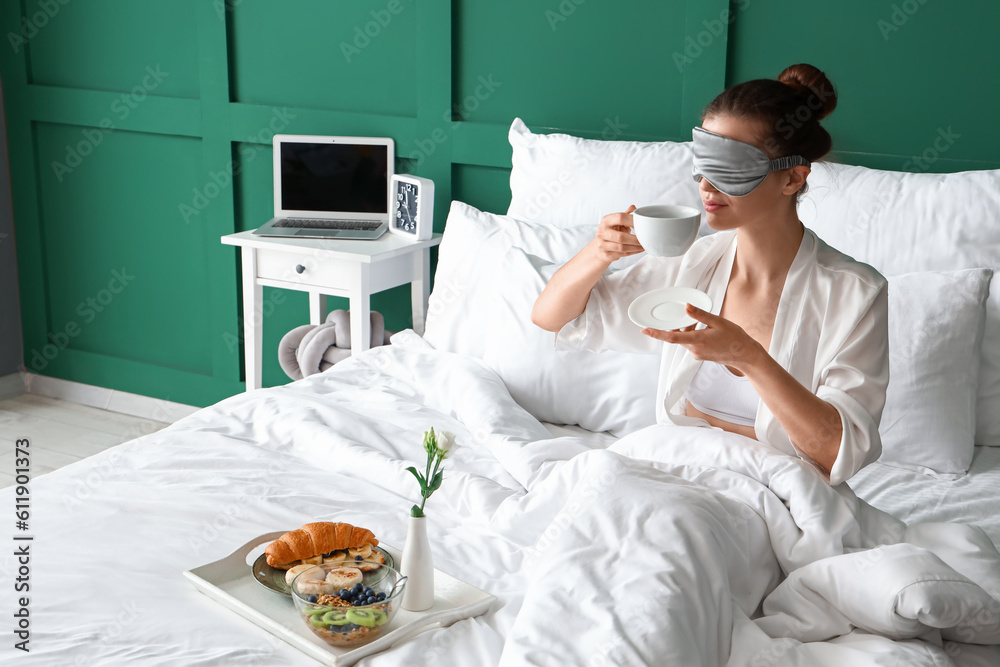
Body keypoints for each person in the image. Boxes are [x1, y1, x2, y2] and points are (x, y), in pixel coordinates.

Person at [531, 64, 889, 486]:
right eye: (703, 164)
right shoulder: (693, 262)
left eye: (732, 166)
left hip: (774, 493)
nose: (706, 186)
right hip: (673, 472)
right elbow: (551, 317)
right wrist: (599, 253)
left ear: (793, 177)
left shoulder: (855, 293)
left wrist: (748, 356)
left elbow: (836, 452)